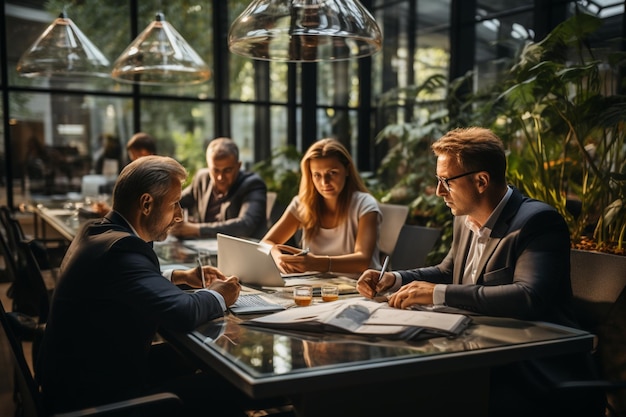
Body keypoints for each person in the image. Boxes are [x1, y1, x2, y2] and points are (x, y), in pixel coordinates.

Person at [356, 127, 605, 416]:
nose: (438, 192)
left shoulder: (538, 222)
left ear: (481, 181)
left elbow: (528, 296)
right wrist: (395, 278)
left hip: (530, 370)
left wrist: (436, 294)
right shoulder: (465, 218)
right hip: (480, 353)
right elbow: (448, 271)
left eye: (445, 181)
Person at [36, 155, 246, 416]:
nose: (180, 215)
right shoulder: (122, 250)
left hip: (77, 377)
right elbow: (183, 313)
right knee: (229, 388)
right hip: (95, 400)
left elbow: (123, 280)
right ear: (146, 203)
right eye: (175, 204)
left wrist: (179, 275)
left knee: (183, 358)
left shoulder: (99, 231)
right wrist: (219, 295)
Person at [262, 138, 381, 277]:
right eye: (317, 175)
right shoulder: (302, 204)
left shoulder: (364, 204)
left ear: (347, 170)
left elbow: (363, 260)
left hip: (361, 288)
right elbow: (267, 242)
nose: (325, 182)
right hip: (317, 287)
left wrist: (317, 263)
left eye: (332, 173)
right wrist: (278, 258)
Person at [170, 137, 267, 240]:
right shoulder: (202, 178)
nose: (221, 177)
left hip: (241, 251)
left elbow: (245, 225)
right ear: (208, 166)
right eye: (215, 170)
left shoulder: (253, 184)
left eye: (227, 170)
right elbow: (175, 202)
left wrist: (196, 229)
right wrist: (177, 221)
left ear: (238, 166)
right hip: (203, 248)